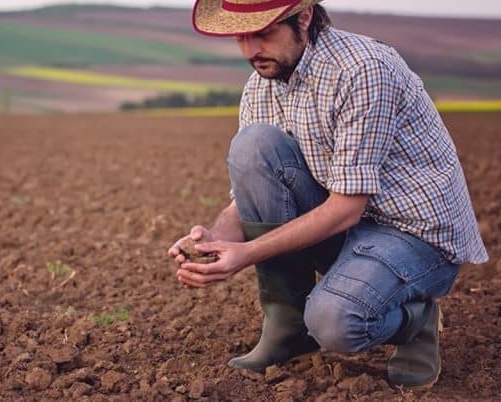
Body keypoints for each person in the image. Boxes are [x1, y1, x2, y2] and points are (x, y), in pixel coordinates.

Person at [168, 0, 488, 389]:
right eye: (241, 37)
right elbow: (249, 194)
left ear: (303, 19)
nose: (251, 51)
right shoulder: (261, 84)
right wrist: (214, 240)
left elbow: (345, 210)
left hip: (412, 234)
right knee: (253, 145)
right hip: (346, 225)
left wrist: (247, 254)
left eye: (264, 34)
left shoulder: (363, 70)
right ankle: (287, 327)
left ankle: (416, 321)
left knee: (335, 323)